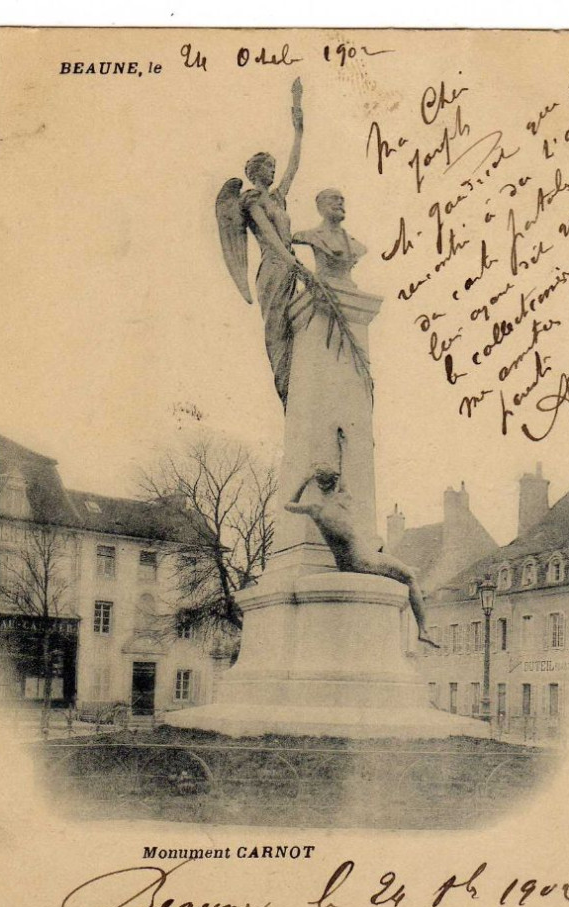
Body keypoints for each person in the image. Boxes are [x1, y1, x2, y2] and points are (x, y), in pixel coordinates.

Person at [285, 430, 440, 648]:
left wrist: (303, 479)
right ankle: (423, 630)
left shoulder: (315, 509)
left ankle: (405, 585)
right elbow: (347, 470)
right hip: (364, 559)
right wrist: (344, 445)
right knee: (408, 577)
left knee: (384, 550)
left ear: (318, 484)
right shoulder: (345, 499)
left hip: (346, 561)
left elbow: (288, 504)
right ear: (335, 481)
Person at [216, 79, 312, 409]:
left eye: (274, 166)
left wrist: (298, 126)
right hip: (274, 268)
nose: (273, 171)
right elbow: (270, 238)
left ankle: (300, 391)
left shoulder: (279, 198)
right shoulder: (252, 200)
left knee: (297, 327)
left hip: (290, 264)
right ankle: (287, 394)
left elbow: (295, 165)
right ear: (256, 172)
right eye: (268, 167)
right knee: (277, 333)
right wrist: (295, 263)